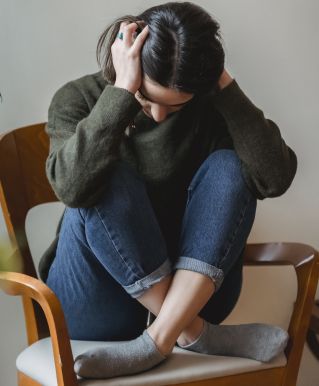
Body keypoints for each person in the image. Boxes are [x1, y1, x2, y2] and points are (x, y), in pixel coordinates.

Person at [41, 1, 297, 380]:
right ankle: (193, 333)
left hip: (194, 291)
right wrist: (121, 95)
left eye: (174, 108)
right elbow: (72, 188)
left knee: (231, 167)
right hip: (94, 300)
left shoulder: (209, 105)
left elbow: (273, 178)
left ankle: (158, 338)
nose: (159, 115)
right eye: (148, 98)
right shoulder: (77, 99)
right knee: (104, 175)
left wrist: (225, 87)